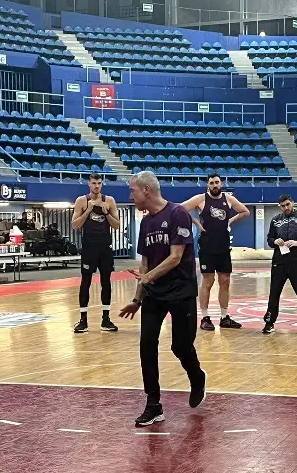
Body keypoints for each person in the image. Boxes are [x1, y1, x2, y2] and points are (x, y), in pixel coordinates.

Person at [119, 171, 206, 427]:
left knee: (180, 346)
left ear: (146, 190)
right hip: (155, 296)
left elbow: (176, 257)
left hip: (181, 292)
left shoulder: (178, 213)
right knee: (147, 345)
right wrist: (137, 299)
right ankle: (153, 404)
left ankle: (197, 376)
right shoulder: (145, 223)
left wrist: (147, 278)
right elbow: (145, 263)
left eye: (132, 190)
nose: (130, 195)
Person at [181, 173, 250, 331]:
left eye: (217, 182)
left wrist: (230, 220)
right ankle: (205, 317)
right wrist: (197, 223)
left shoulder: (229, 199)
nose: (214, 185)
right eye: (211, 183)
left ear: (221, 183)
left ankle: (224, 317)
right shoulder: (201, 198)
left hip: (223, 246)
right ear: (207, 185)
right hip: (207, 246)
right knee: (208, 281)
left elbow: (245, 211)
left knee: (225, 281)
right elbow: (180, 209)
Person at [71, 173, 120, 333]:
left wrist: (106, 213)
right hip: (89, 247)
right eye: (94, 183)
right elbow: (75, 225)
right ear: (89, 184)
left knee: (106, 281)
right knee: (86, 281)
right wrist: (88, 210)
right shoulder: (81, 201)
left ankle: (106, 319)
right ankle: (83, 320)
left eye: (99, 183)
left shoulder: (110, 200)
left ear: (102, 184)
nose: (96, 186)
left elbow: (117, 225)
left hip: (105, 247)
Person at [262, 194, 297, 335]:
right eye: (282, 206)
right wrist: (275, 241)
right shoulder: (275, 221)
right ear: (279, 206)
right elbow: (269, 239)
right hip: (279, 262)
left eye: (287, 204)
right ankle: (269, 322)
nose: (285, 207)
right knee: (274, 293)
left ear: (292, 203)